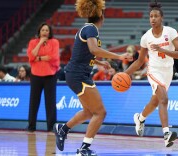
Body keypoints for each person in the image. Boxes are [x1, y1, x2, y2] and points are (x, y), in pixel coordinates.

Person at [52, 0, 132, 155]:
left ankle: (62, 128)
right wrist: (118, 56)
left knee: (89, 112)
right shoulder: (91, 29)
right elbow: (93, 49)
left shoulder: (85, 28)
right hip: (78, 75)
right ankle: (84, 148)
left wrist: (100, 62)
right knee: (100, 112)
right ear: (101, 14)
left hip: (75, 74)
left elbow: (83, 54)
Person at [125, 1, 178, 148]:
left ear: (161, 17)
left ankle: (140, 118)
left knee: (155, 102)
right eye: (151, 16)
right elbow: (138, 62)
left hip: (168, 71)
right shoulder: (146, 37)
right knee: (163, 99)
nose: (153, 19)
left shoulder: (171, 32)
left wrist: (162, 50)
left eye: (156, 16)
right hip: (154, 71)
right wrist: (124, 74)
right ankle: (166, 134)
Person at [26, 22, 60, 132]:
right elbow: (31, 56)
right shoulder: (33, 42)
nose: (45, 32)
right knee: (34, 101)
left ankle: (51, 127)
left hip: (50, 75)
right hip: (36, 75)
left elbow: (54, 57)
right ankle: (31, 126)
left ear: (50, 32)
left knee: (50, 102)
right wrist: (40, 43)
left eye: (47, 30)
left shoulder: (54, 42)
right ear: (39, 32)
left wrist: (39, 58)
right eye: (43, 30)